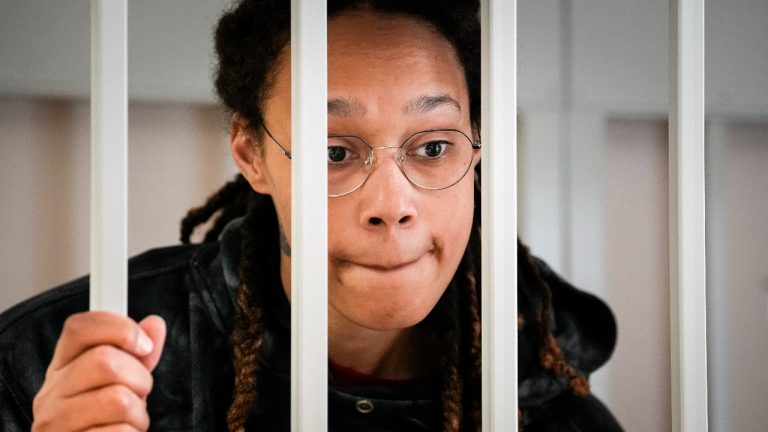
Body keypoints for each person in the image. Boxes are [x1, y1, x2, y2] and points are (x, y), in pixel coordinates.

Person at [0, 1, 623, 431]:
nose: (392, 206)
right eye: (334, 152)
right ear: (252, 154)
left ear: (477, 145)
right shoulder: (63, 369)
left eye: (433, 147)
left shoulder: (541, 394)